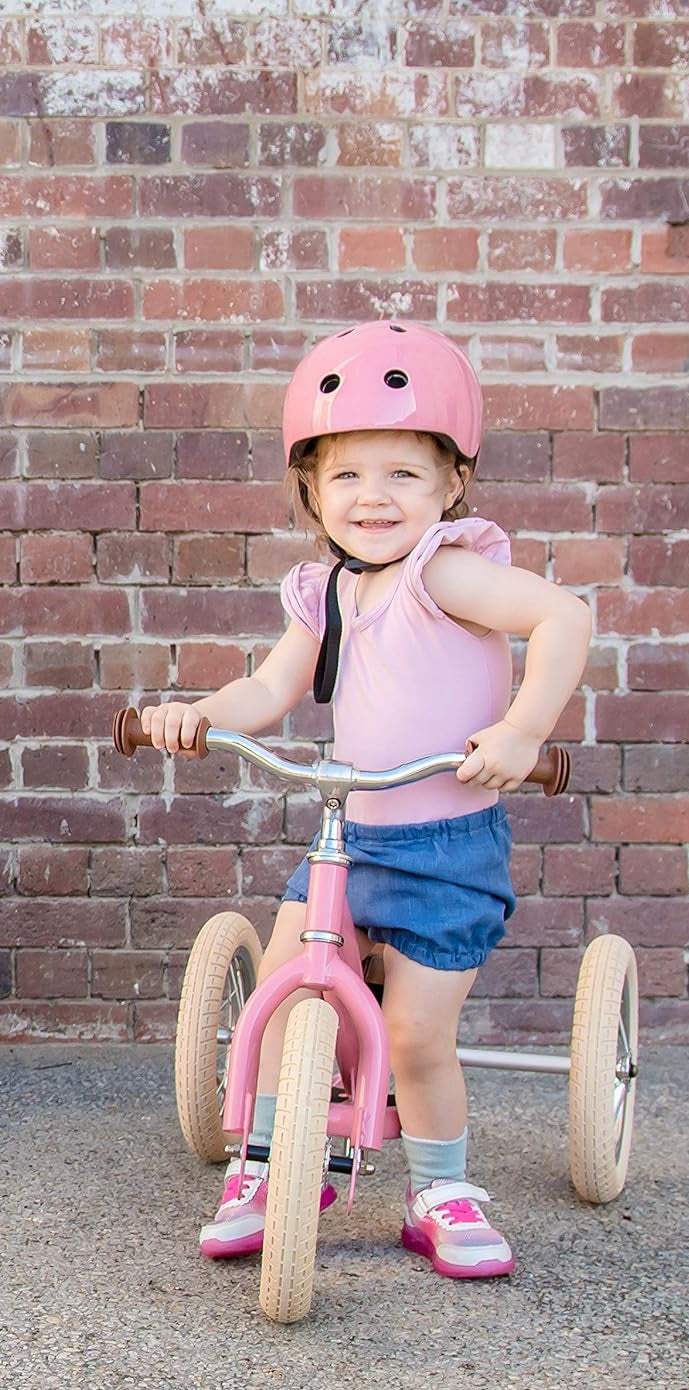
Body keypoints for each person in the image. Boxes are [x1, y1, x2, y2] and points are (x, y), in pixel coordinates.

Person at [141, 320, 591, 1279]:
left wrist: (521, 730)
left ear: (451, 486)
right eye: (346, 475)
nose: (372, 498)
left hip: (444, 843)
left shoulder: (448, 572)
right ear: (311, 489)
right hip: (352, 836)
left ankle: (438, 1191)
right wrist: (198, 713)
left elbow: (564, 614)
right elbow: (269, 690)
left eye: (402, 475)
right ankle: (266, 1168)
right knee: (281, 994)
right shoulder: (326, 592)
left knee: (419, 1036)